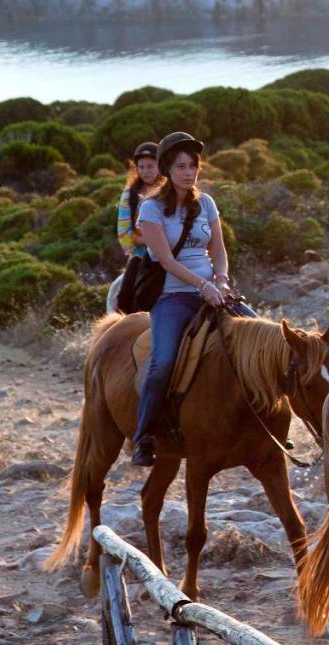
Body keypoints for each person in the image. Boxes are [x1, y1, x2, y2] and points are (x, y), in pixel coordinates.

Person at [131, 131, 255, 467]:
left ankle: (263, 421)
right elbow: (166, 261)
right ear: (167, 169)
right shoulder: (151, 208)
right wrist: (204, 286)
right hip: (173, 297)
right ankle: (144, 436)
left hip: (214, 290)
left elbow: (218, 249)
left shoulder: (208, 203)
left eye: (193, 166)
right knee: (163, 362)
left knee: (261, 338)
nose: (188, 172)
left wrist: (222, 280)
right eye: (181, 166)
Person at [107, 141, 163, 313]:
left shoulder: (171, 191)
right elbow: (125, 234)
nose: (145, 171)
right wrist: (153, 242)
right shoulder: (129, 194)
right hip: (141, 257)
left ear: (160, 166)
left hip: (173, 255)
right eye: (141, 167)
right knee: (124, 301)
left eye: (150, 166)